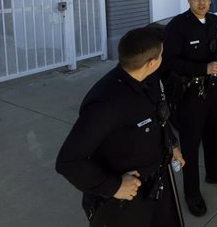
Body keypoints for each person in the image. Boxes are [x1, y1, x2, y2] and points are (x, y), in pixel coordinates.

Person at [56, 27, 185, 227]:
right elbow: (68, 161)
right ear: (151, 63)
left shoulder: (150, 79)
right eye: (161, 54)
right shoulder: (106, 104)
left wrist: (172, 144)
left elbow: (159, 116)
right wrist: (114, 186)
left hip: (158, 184)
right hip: (125, 202)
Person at [163, 0, 217, 217]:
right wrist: (203, 69)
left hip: (214, 90)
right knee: (190, 145)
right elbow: (169, 62)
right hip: (190, 94)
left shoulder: (214, 21)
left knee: (215, 135)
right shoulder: (177, 26)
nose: (202, 2)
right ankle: (192, 193)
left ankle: (215, 172)